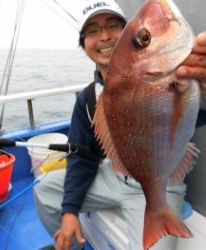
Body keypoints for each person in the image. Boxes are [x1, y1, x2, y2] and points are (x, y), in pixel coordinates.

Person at [34, 1, 206, 249]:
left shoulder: (181, 75)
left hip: (162, 180)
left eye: (113, 26)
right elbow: (81, 157)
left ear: (125, 33)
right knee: (44, 190)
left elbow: (197, 115)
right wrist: (69, 211)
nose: (104, 36)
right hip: (113, 176)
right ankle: (74, 245)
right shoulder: (88, 99)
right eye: (92, 31)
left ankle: (157, 211)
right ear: (84, 46)